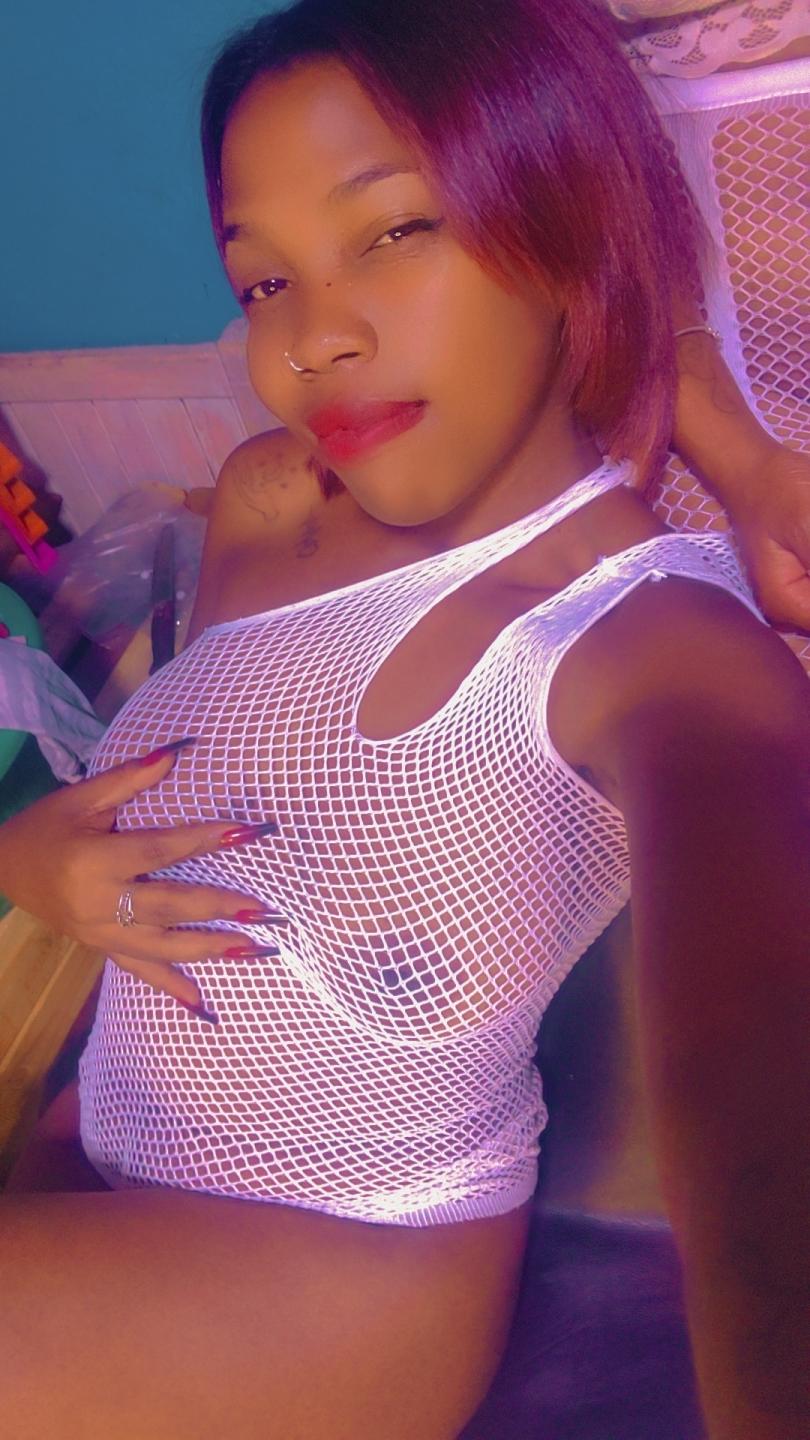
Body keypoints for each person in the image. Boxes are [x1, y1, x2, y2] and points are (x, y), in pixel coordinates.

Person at [0, 2, 807, 1437]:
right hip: (101, 1146)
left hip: (323, 1283)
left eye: (392, 231)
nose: (314, 339)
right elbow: (210, 783)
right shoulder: (270, 502)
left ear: (566, 229)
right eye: (263, 279)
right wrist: (34, 864)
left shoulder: (655, 645)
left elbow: (766, 1116)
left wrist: (744, 459)